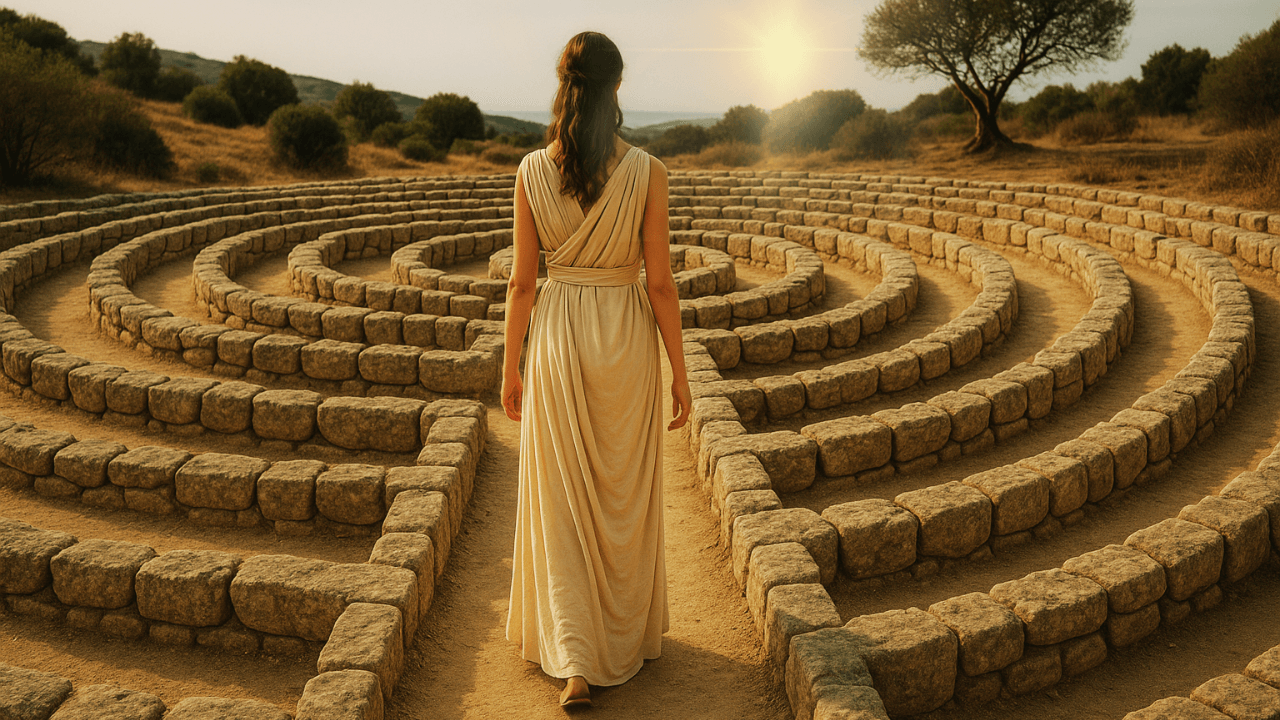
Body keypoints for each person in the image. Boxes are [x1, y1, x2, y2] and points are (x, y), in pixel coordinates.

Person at [501, 30, 692, 709]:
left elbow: (522, 284)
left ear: (563, 84)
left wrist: (511, 367)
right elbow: (662, 285)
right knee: (622, 495)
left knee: (559, 497)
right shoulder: (648, 171)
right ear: (618, 85)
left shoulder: (529, 171)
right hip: (624, 337)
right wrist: (681, 371)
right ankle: (617, 640)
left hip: (556, 337)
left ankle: (574, 658)